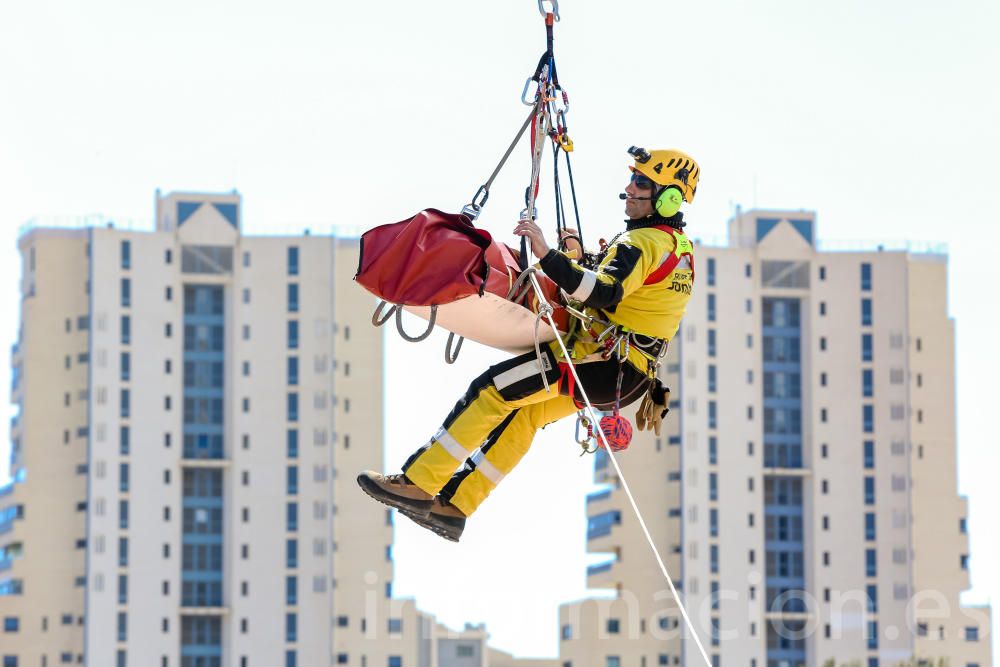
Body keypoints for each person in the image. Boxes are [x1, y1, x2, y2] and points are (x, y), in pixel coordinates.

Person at [357, 146, 700, 542]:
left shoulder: (641, 242)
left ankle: (419, 483)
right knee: (525, 415)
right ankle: (455, 507)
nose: (628, 188)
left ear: (669, 196)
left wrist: (546, 253)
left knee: (490, 390)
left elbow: (602, 292)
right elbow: (621, 288)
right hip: (625, 374)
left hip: (599, 364)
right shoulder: (678, 247)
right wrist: (577, 254)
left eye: (641, 182)